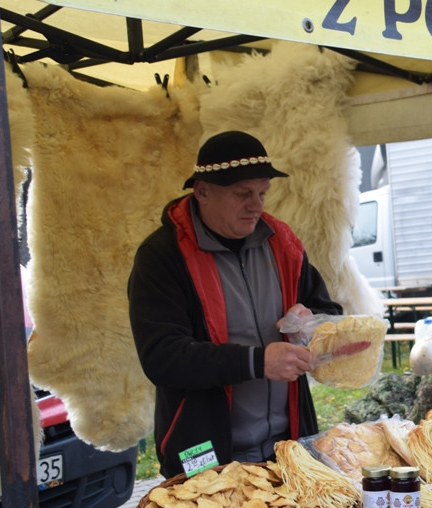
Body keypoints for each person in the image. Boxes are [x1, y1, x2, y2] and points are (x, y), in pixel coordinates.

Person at [128, 131, 342, 478]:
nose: (256, 205)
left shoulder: (282, 244)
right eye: (242, 194)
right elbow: (162, 356)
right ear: (202, 192)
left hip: (287, 451)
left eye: (261, 193)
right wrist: (257, 361)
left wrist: (313, 323)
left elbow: (330, 314)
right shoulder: (162, 255)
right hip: (204, 454)